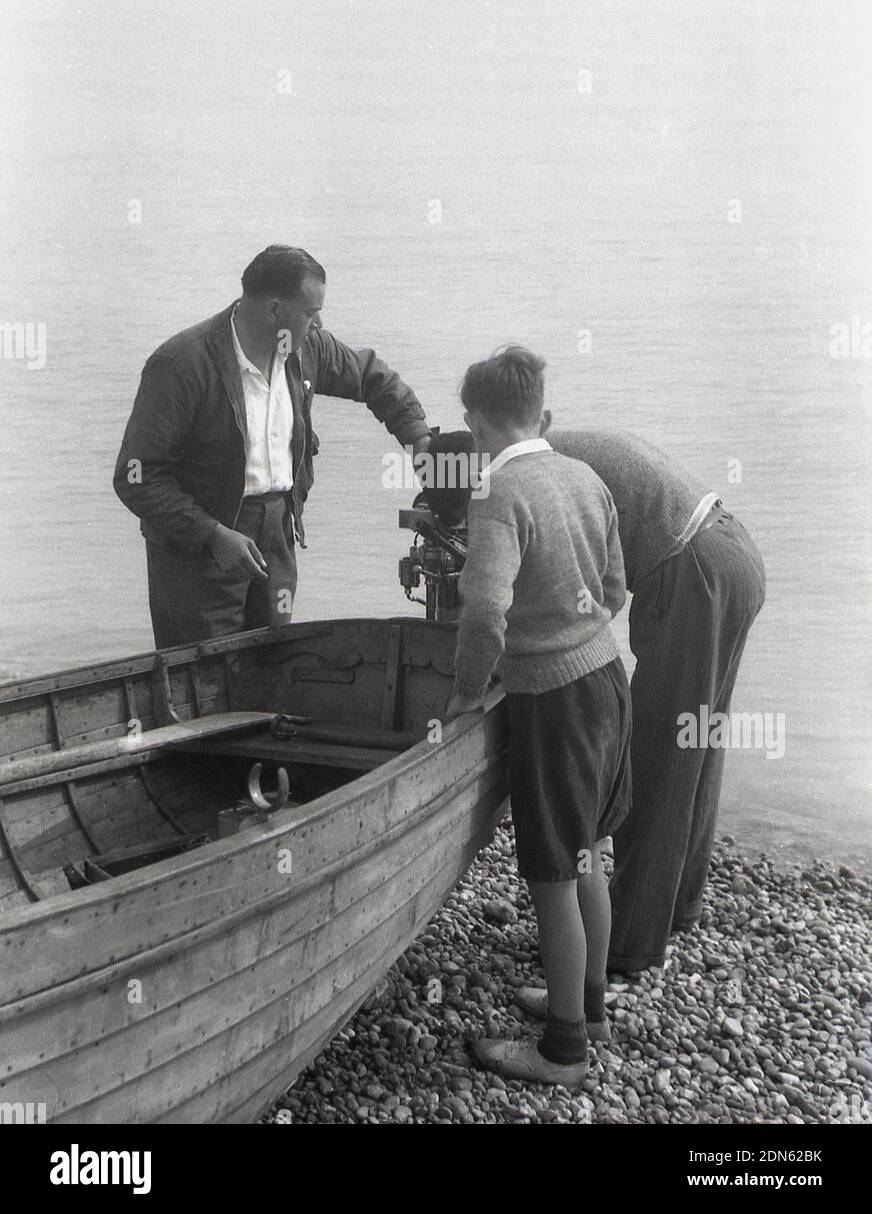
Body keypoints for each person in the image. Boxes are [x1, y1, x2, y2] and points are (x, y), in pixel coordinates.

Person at [445, 347, 631, 1085]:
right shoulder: (585, 477)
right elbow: (616, 586)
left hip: (553, 701)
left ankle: (563, 1052)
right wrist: (575, 627)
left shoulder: (499, 492)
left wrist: (467, 688)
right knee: (590, 854)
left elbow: (485, 609)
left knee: (552, 872)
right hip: (608, 680)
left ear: (476, 426)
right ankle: (587, 1008)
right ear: (543, 416)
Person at [114, 245, 432, 647]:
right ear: (274, 311)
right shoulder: (181, 365)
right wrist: (212, 535)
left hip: (277, 534)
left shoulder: (305, 348)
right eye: (311, 312)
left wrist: (420, 441)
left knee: (278, 662)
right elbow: (135, 477)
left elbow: (373, 377)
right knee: (206, 676)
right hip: (194, 553)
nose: (319, 324)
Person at [543, 426, 766, 975]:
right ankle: (682, 902)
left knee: (659, 757)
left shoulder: (543, 476)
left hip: (695, 570)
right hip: (734, 552)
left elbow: (572, 582)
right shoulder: (564, 445)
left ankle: (628, 944)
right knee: (700, 742)